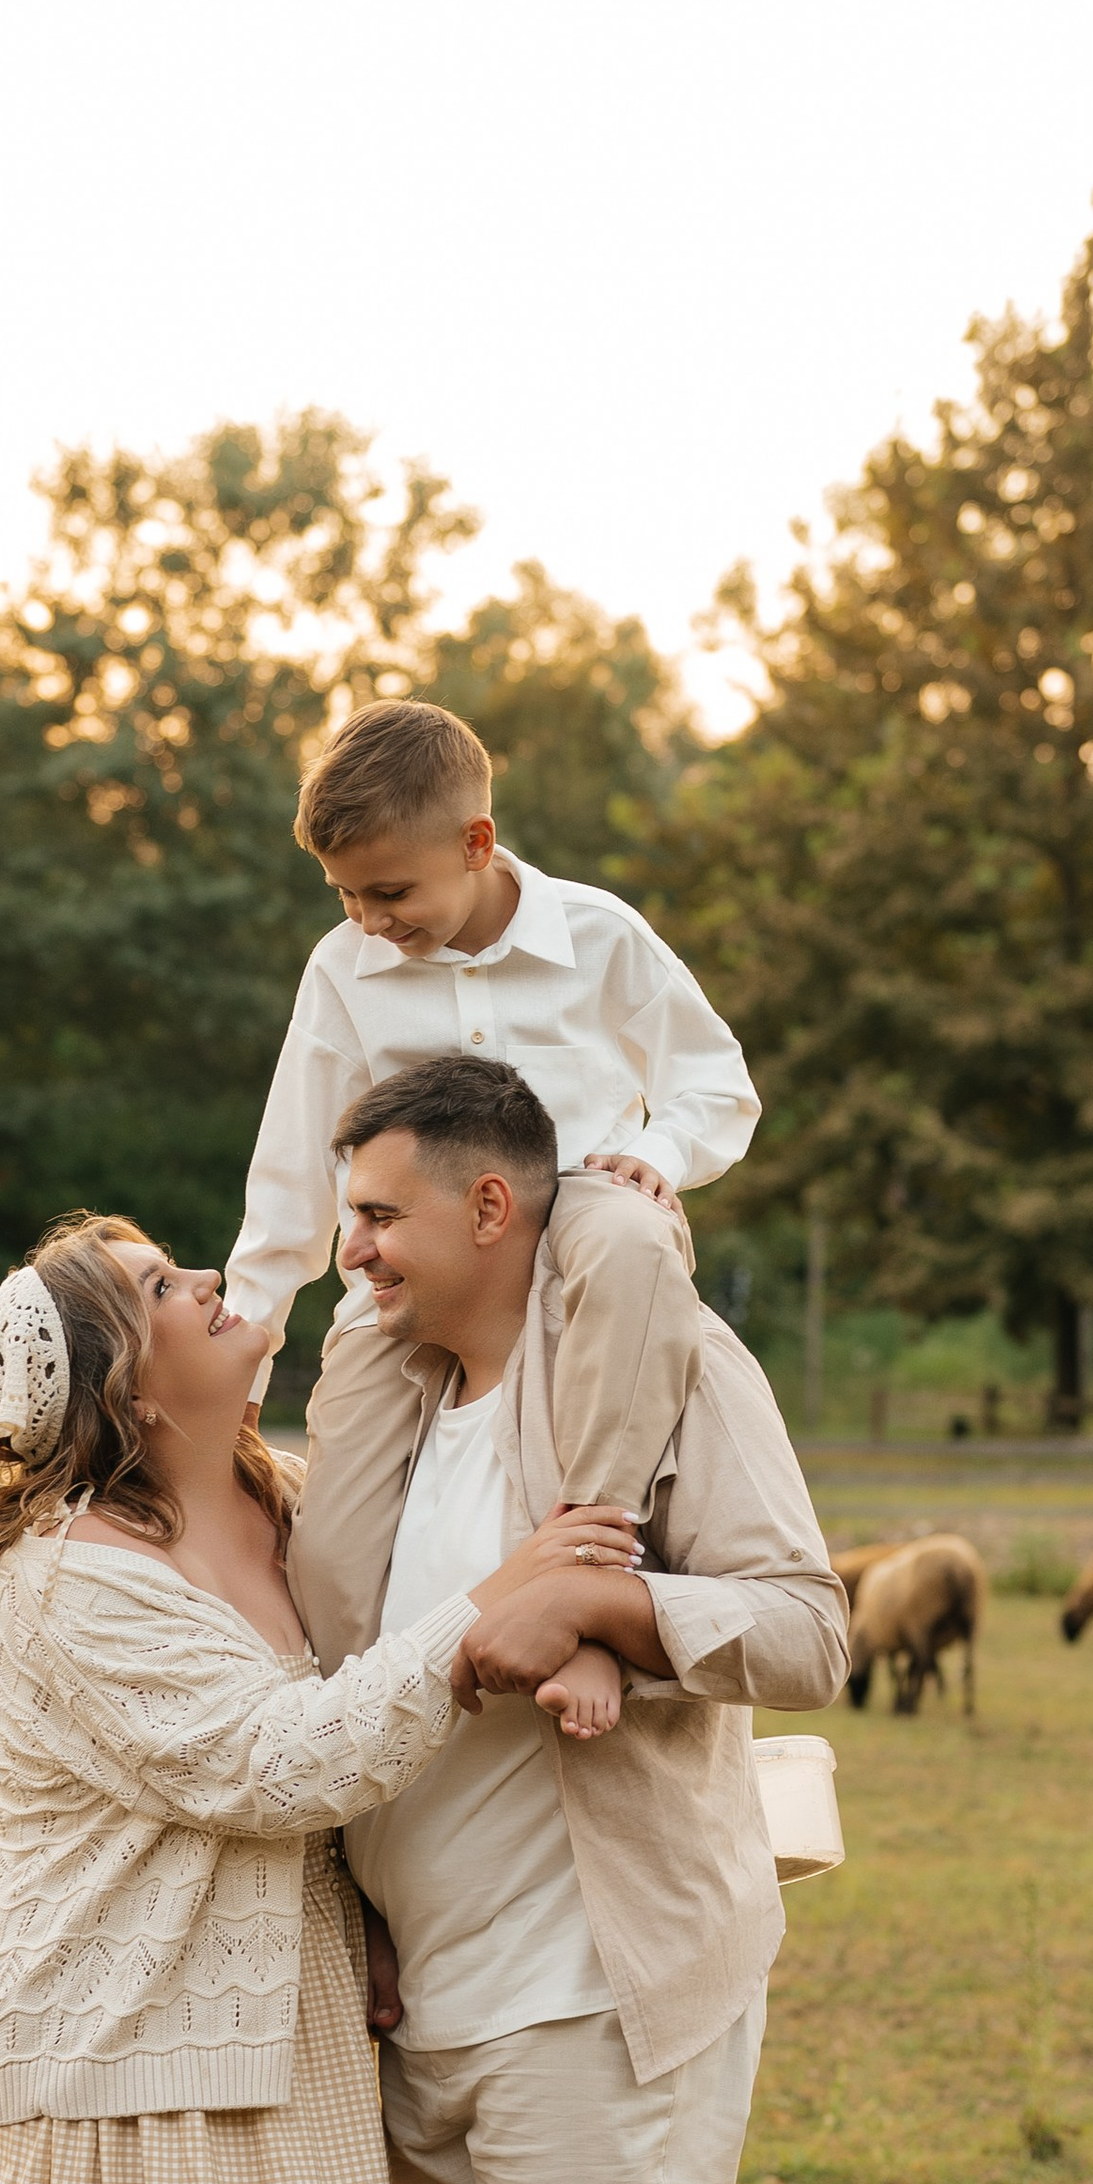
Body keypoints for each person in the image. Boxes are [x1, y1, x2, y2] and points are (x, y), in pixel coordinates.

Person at [0, 1210, 636, 2184]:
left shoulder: (291, 1502)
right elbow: (274, 1762)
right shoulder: (66, 1579)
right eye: (161, 1285)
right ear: (125, 1382)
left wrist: (365, 1901)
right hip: (117, 2062)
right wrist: (504, 1600)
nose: (209, 1278)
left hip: (285, 2040)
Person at [289, 1055, 848, 2184]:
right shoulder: (390, 1412)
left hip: (590, 2001)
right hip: (420, 2015)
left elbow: (806, 1629)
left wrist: (609, 1605)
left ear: (491, 1206)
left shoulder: (672, 1364)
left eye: (380, 1217)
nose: (352, 1251)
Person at [227, 695, 759, 1743]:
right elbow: (292, 1164)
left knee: (631, 1232)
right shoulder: (342, 968)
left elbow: (716, 1084)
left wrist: (655, 1156)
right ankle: (344, 1756)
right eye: (344, 895)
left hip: (577, 1215)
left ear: (476, 843)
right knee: (330, 1546)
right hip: (415, 1256)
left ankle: (592, 1564)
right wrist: (247, 1353)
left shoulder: (600, 935)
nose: (368, 920)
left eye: (390, 891)